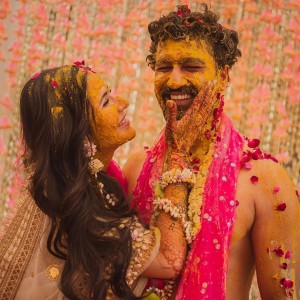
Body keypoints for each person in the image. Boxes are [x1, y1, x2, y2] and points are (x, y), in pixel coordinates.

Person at [123, 4, 300, 299]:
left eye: (191, 67)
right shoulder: (136, 166)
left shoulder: (266, 179)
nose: (175, 81)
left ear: (224, 75)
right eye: (164, 67)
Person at [0, 63, 214, 299]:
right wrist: (177, 158)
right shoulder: (83, 201)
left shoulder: (63, 182)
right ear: (78, 132)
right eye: (105, 101)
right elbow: (168, 261)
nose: (122, 103)